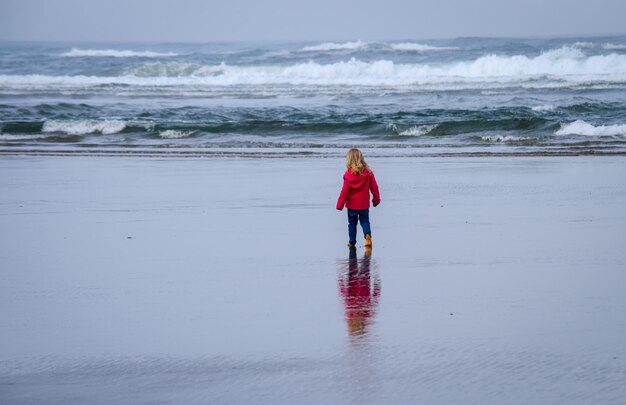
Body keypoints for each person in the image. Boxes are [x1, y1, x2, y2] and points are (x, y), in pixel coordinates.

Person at [336, 148, 381, 248]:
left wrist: (340, 205)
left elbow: (344, 192)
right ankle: (367, 235)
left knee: (352, 223)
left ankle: (352, 242)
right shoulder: (368, 173)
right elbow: (374, 187)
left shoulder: (348, 176)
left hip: (352, 206)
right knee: (365, 221)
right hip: (364, 205)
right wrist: (376, 198)